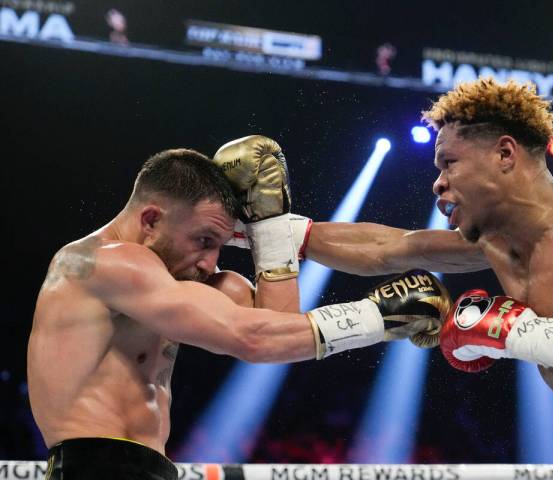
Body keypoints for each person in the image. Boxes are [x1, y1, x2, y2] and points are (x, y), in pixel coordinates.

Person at [246, 78, 553, 477]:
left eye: (449, 163)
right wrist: (272, 234)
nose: (438, 182)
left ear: (505, 154)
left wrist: (518, 335)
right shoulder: (498, 243)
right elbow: (389, 248)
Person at [28, 145, 450, 480]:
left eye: (220, 245)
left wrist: (269, 229)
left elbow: (279, 333)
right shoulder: (107, 262)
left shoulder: (174, 281)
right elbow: (254, 338)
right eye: (204, 239)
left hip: (150, 465)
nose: (211, 262)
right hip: (93, 466)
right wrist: (376, 316)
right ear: (152, 218)